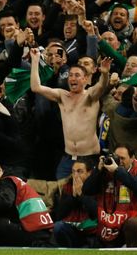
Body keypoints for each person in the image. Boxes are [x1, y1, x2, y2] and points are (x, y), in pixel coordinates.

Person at [29, 47, 111, 179]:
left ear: (85, 79)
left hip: (89, 157)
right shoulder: (62, 96)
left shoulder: (91, 96)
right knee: (63, 196)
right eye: (71, 75)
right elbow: (35, 87)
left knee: (88, 196)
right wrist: (34, 60)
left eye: (77, 75)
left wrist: (105, 74)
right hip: (68, 158)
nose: (73, 78)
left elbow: (101, 86)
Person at [82, 146, 137, 247]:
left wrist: (118, 171)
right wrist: (98, 170)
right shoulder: (106, 170)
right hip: (107, 222)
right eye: (117, 158)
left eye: (123, 158)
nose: (119, 162)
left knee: (134, 224)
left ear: (132, 158)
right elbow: (87, 190)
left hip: (129, 221)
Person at [52, 159, 98, 248]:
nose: (75, 175)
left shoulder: (96, 187)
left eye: (80, 172)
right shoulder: (67, 187)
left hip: (91, 232)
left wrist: (81, 195)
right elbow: (59, 215)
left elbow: (96, 213)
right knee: (58, 226)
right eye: (73, 172)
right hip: (72, 229)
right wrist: (73, 197)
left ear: (89, 173)